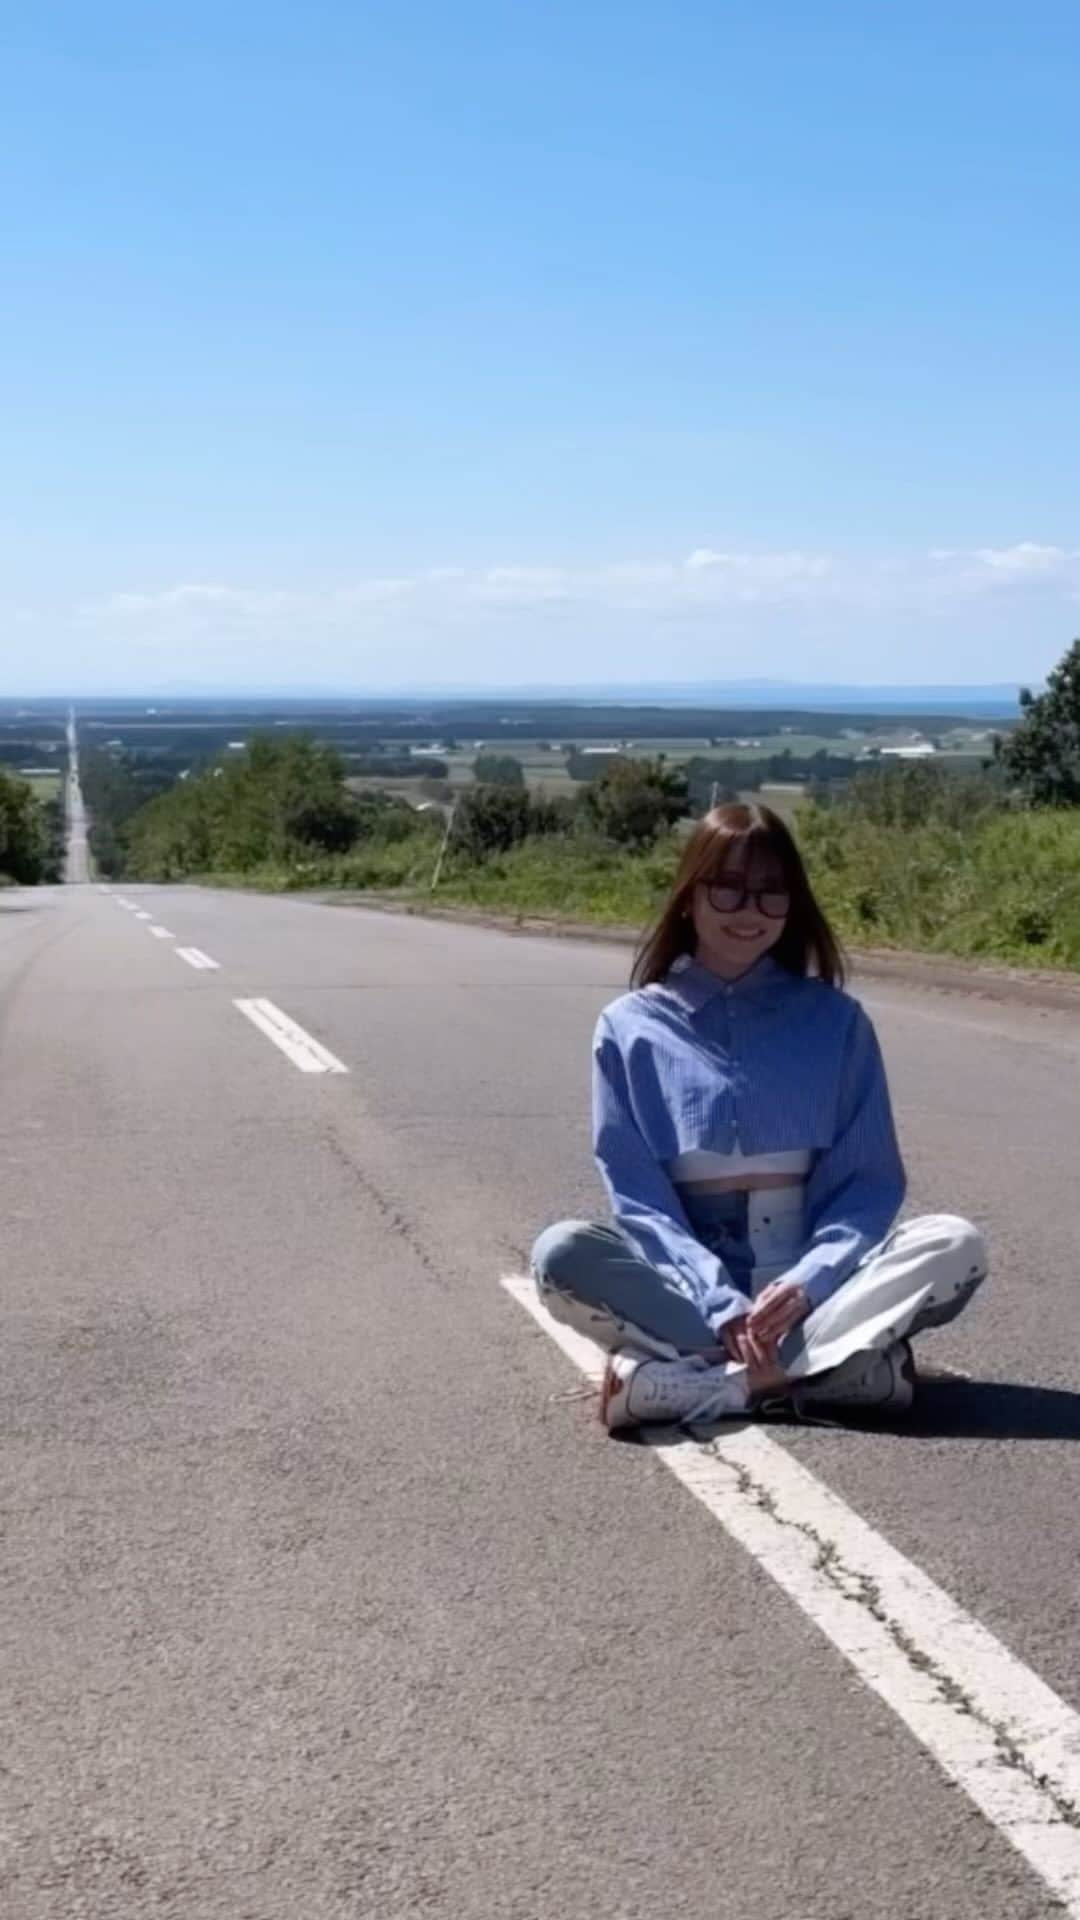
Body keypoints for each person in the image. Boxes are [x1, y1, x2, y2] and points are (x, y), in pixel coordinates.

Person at [532, 802, 988, 1432]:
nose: (749, 913)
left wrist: (809, 1282)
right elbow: (639, 1200)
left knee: (955, 1244)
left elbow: (868, 1185)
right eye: (729, 891)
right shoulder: (628, 1027)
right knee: (560, 1255)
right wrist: (719, 1301)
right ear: (689, 898)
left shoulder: (837, 1022)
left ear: (791, 908)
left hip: (813, 1295)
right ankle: (835, 1375)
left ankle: (707, 1382)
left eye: (771, 896)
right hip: (691, 1295)